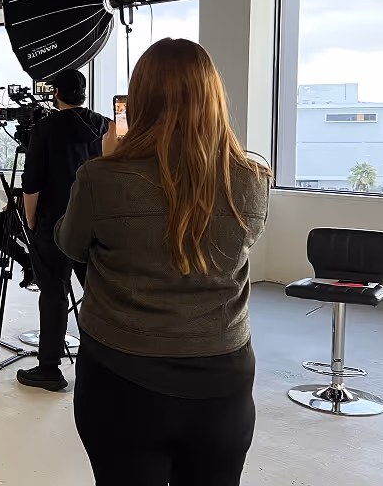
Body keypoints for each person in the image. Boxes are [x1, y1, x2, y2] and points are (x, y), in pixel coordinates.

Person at [57, 39, 270, 485]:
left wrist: (111, 162)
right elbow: (236, 245)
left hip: (120, 376)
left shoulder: (102, 177)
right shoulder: (251, 180)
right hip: (223, 375)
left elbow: (70, 244)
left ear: (138, 102)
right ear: (212, 97)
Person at [17, 69, 109, 391]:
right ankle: (97, 366)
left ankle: (49, 369)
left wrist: (30, 221)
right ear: (83, 93)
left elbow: (32, 184)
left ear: (56, 93)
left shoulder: (44, 129)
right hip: (94, 226)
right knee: (96, 296)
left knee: (53, 294)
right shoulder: (103, 126)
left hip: (55, 224)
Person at [0, 189, 36, 289]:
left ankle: (31, 263)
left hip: (41, 209)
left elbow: (32, 186)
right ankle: (28, 262)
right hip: (27, 206)